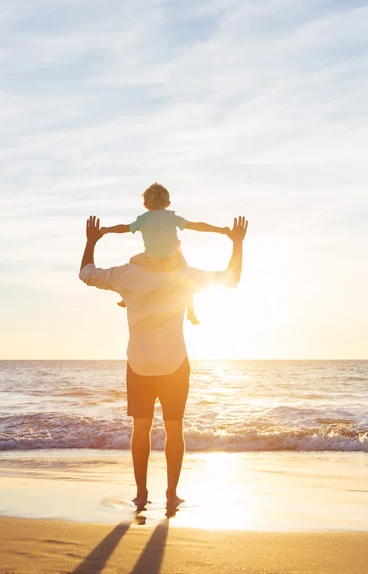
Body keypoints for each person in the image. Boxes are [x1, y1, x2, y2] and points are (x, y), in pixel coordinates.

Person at [79, 213, 248, 510]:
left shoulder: (127, 274)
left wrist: (91, 241)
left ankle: (141, 494)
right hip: (173, 365)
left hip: (139, 365)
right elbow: (230, 278)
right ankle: (171, 494)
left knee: (140, 430)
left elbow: (87, 273)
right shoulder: (185, 276)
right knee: (174, 429)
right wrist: (236, 244)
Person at [99, 182, 231, 324]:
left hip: (152, 261)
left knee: (132, 261)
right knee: (186, 281)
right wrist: (220, 230)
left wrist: (106, 229)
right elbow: (197, 225)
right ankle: (191, 313)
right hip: (174, 260)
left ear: (145, 205)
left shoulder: (143, 219)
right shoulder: (172, 217)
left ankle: (125, 298)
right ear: (168, 203)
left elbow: (124, 228)